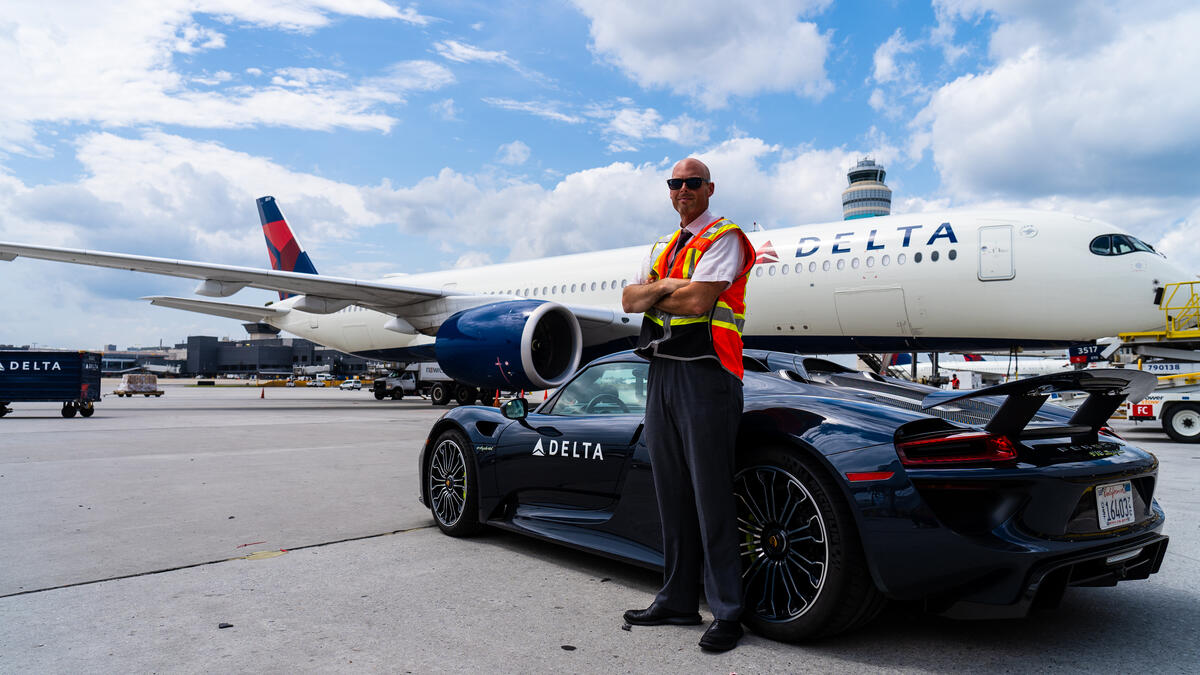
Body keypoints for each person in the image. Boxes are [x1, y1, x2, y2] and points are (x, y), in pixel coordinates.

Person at [620, 158, 754, 653]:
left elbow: (699, 303)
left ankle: (727, 612)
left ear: (709, 188)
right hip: (663, 373)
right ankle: (677, 599)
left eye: (692, 183)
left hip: (708, 373)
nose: (683, 190)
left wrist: (659, 293)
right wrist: (663, 289)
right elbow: (630, 300)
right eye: (675, 184)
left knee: (711, 496)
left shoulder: (726, 236)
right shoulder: (663, 247)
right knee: (671, 493)